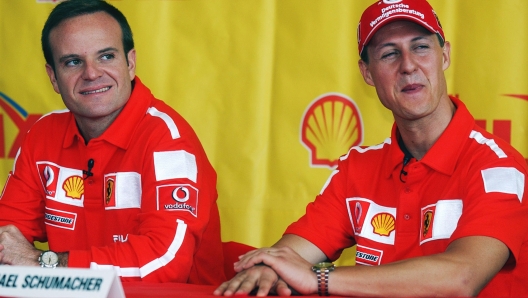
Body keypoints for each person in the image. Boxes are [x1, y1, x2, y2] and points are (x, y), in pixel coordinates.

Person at [215, 0, 528, 296]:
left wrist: (319, 277)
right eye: (389, 54)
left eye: (420, 47)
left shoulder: (497, 167)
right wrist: (272, 269)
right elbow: (292, 255)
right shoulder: (358, 168)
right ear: (367, 73)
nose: (408, 66)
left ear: (444, 55)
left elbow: (461, 278)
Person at [0, 0, 225, 285]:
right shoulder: (42, 135)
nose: (91, 73)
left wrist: (44, 262)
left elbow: (164, 263)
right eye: (73, 62)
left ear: (130, 63)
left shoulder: (169, 142)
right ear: (53, 78)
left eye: (106, 57)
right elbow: (6, 235)